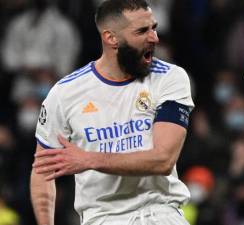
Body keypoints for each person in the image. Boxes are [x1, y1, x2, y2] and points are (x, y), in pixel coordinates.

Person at [30, 0, 194, 225]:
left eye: (154, 28)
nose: (154, 37)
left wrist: (89, 159)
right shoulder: (65, 93)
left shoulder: (169, 78)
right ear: (111, 38)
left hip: (160, 212)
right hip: (103, 217)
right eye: (142, 31)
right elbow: (42, 171)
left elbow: (163, 160)